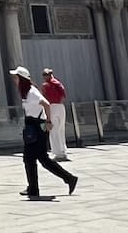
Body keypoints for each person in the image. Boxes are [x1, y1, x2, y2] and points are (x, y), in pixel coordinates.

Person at [9, 66, 78, 200]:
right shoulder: (26, 92)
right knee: (43, 159)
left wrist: (48, 121)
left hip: (36, 127)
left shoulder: (32, 92)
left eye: (16, 77)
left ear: (22, 79)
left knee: (29, 158)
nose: (14, 80)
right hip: (32, 125)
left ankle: (34, 188)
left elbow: (46, 104)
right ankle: (69, 178)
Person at [41, 67, 69, 161]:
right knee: (61, 129)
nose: (44, 76)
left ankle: (58, 153)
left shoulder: (45, 85)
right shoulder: (58, 83)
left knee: (53, 130)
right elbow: (63, 95)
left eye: (45, 75)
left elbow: (43, 97)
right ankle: (63, 151)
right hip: (60, 106)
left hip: (52, 106)